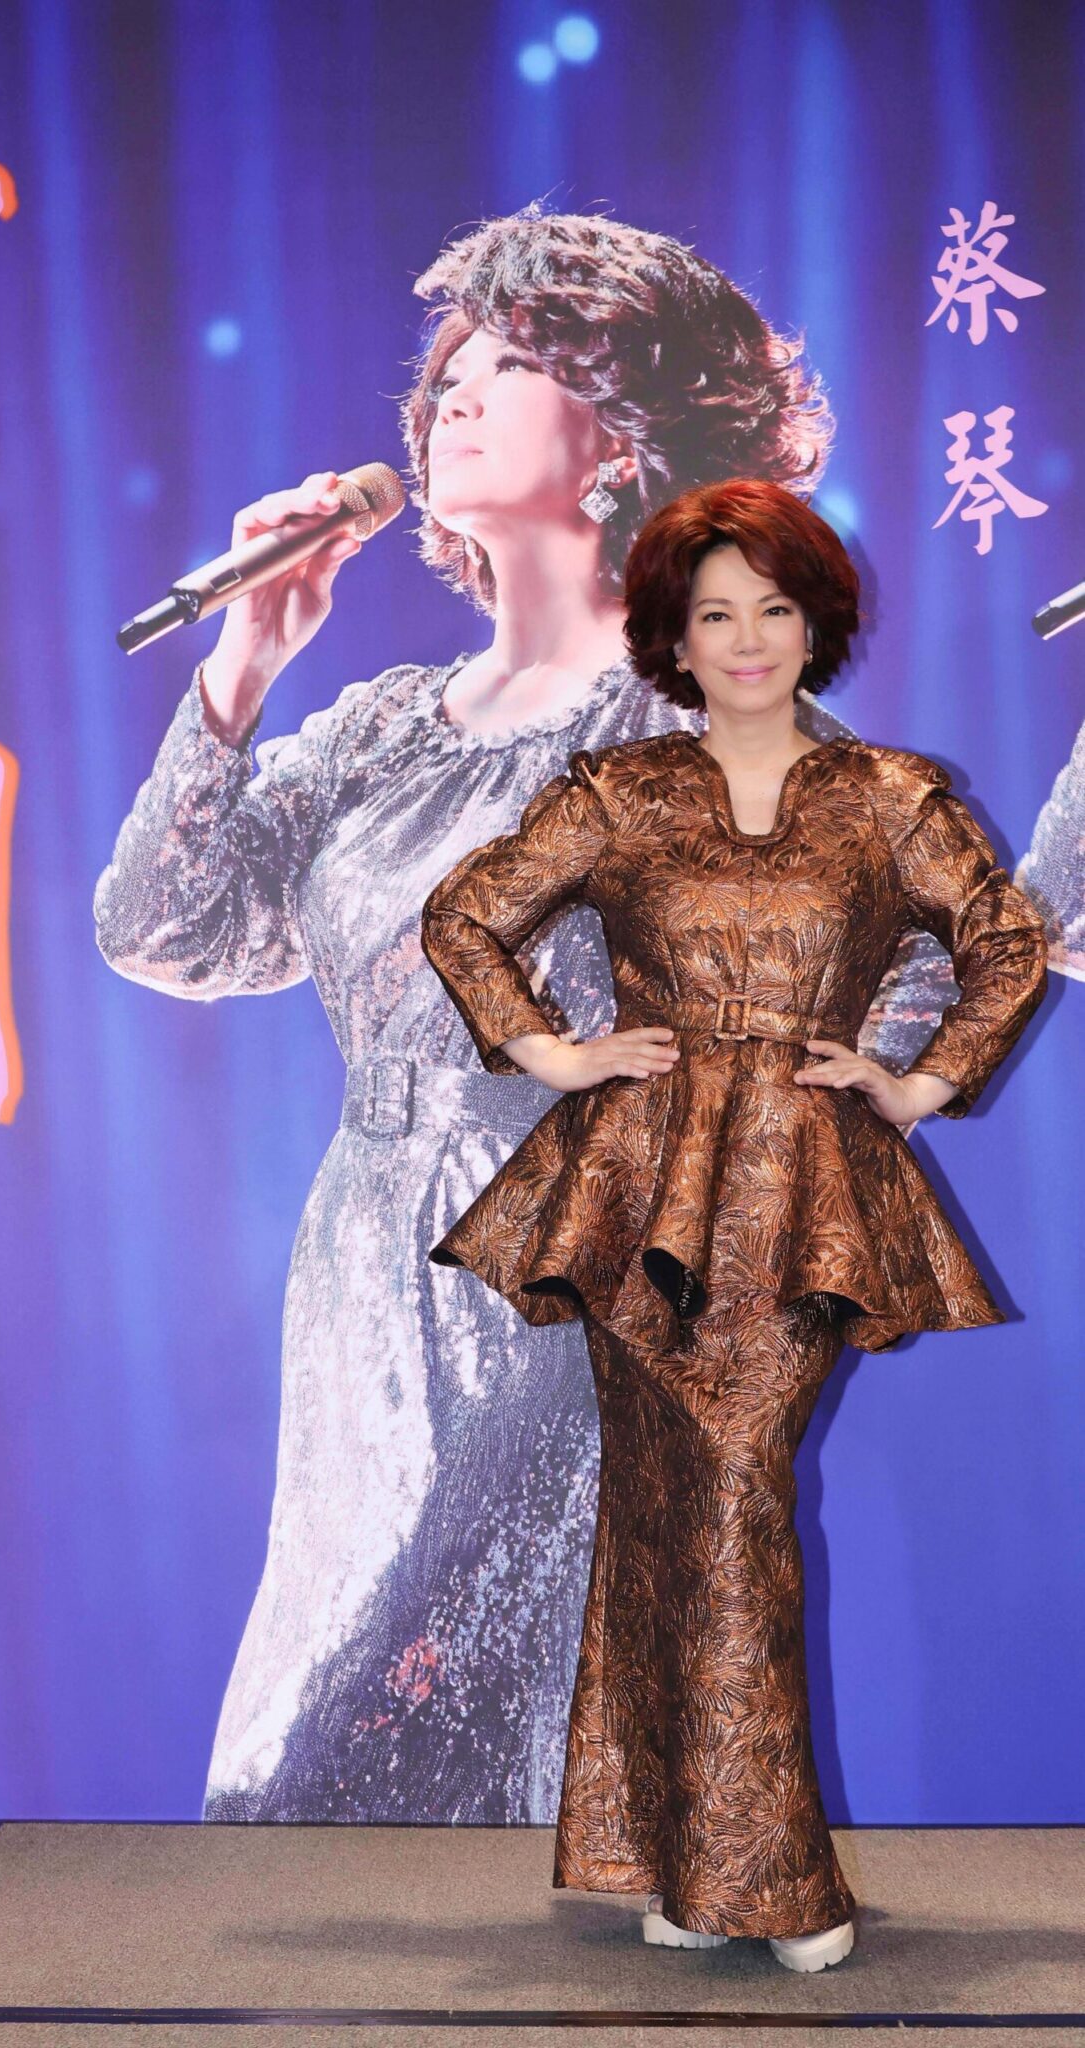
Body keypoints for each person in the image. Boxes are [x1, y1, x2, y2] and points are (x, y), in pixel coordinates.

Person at [94, 205, 957, 1824]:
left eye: (511, 363)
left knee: (475, 1698)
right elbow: (166, 932)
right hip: (371, 1264)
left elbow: (917, 942)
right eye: (446, 373)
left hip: (599, 1270)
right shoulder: (376, 732)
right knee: (334, 1695)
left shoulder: (697, 722)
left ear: (619, 436)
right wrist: (243, 666)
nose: (454, 396)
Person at [420, 476, 1047, 1966]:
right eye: (715, 614)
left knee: (731, 1497)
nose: (748, 638)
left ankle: (757, 1878)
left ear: (813, 624)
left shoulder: (890, 795)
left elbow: (1008, 940)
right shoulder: (616, 793)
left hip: (806, 1198)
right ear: (673, 638)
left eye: (773, 607)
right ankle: (678, 1861)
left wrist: (918, 1081)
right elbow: (463, 915)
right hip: (636, 1193)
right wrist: (551, 1053)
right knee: (660, 1513)